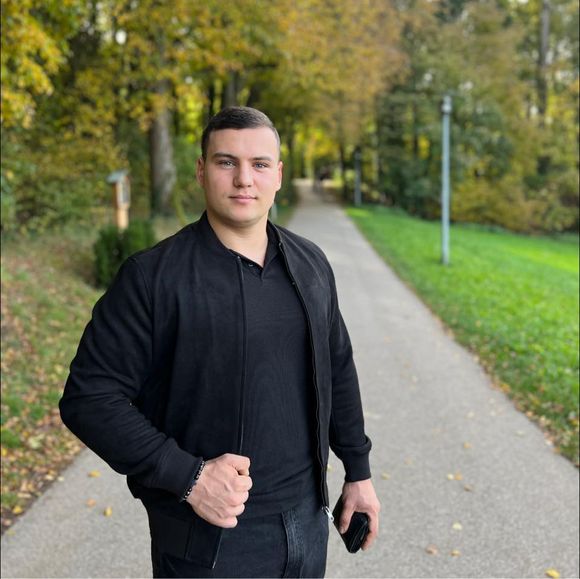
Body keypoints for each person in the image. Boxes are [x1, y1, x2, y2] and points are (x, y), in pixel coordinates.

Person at [59, 106, 380, 578]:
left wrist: (358, 471)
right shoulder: (152, 278)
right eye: (226, 162)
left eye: (259, 164)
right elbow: (89, 399)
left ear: (278, 175)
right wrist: (189, 478)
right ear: (201, 170)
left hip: (308, 524)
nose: (244, 179)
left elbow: (338, 365)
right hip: (208, 542)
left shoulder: (310, 263)